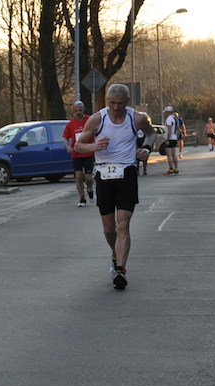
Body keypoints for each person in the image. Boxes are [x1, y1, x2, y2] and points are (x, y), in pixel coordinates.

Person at [75, 83, 155, 290]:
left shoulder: (137, 118)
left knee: (122, 225)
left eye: (120, 103)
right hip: (104, 174)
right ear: (106, 101)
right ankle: (115, 253)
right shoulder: (97, 119)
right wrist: (95, 146)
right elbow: (78, 145)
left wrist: (146, 149)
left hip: (127, 173)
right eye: (112, 103)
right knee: (109, 228)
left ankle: (120, 269)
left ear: (127, 102)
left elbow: (151, 133)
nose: (116, 107)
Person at [62, 100, 95, 206]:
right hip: (76, 153)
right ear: (73, 111)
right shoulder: (70, 124)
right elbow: (65, 137)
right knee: (78, 176)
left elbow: (98, 131)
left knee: (88, 178)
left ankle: (90, 189)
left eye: (80, 110)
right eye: (76, 111)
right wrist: (67, 146)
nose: (78, 113)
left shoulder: (90, 120)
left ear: (83, 110)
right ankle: (82, 198)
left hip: (88, 152)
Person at [162, 106, 180, 175]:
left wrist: (167, 139)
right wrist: (177, 138)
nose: (164, 114)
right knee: (174, 154)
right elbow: (178, 129)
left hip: (170, 138)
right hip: (174, 138)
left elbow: (169, 130)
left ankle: (171, 169)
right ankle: (176, 168)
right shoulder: (175, 119)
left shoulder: (169, 119)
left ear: (167, 112)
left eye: (165, 112)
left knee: (169, 155)